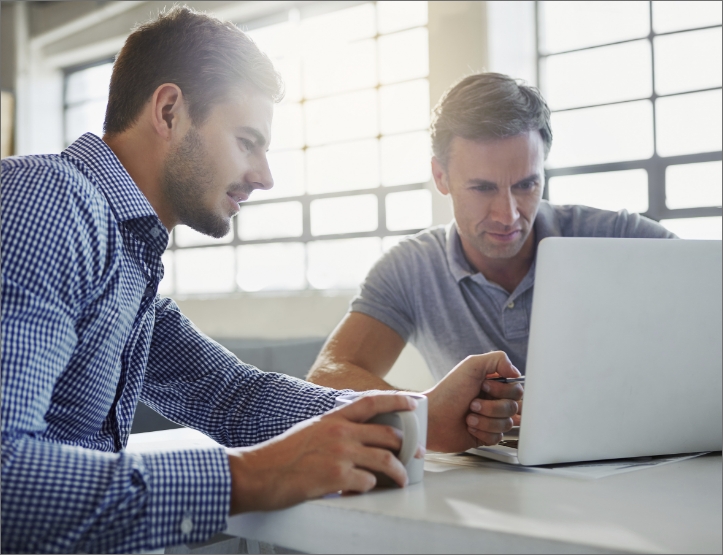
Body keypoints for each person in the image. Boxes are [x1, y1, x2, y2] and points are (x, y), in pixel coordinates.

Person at [0, 8, 523, 554]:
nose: (264, 176)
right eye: (247, 141)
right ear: (170, 110)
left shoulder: (129, 260)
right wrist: (250, 477)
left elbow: (234, 397)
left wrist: (417, 418)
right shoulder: (50, 202)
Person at [307, 72, 675, 421]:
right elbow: (328, 376)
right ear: (441, 176)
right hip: (488, 478)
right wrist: (430, 411)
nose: (508, 214)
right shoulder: (410, 268)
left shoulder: (615, 236)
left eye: (526, 185)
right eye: (483, 188)